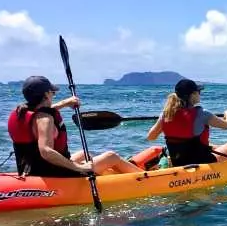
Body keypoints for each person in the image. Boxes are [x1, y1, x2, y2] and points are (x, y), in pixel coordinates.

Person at [7, 75, 142, 177]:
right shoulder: (45, 120)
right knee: (112, 156)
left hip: (30, 168)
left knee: (85, 154)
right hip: (51, 174)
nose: (53, 95)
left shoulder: (22, 113)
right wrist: (79, 168)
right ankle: (146, 177)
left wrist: (65, 103)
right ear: (46, 94)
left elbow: (41, 114)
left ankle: (110, 176)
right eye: (52, 93)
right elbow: (46, 151)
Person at [146, 78, 227, 166]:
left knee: (211, 145)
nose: (200, 94)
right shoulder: (202, 114)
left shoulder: (165, 115)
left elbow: (151, 137)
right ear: (192, 95)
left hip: (179, 162)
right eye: (198, 92)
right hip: (203, 162)